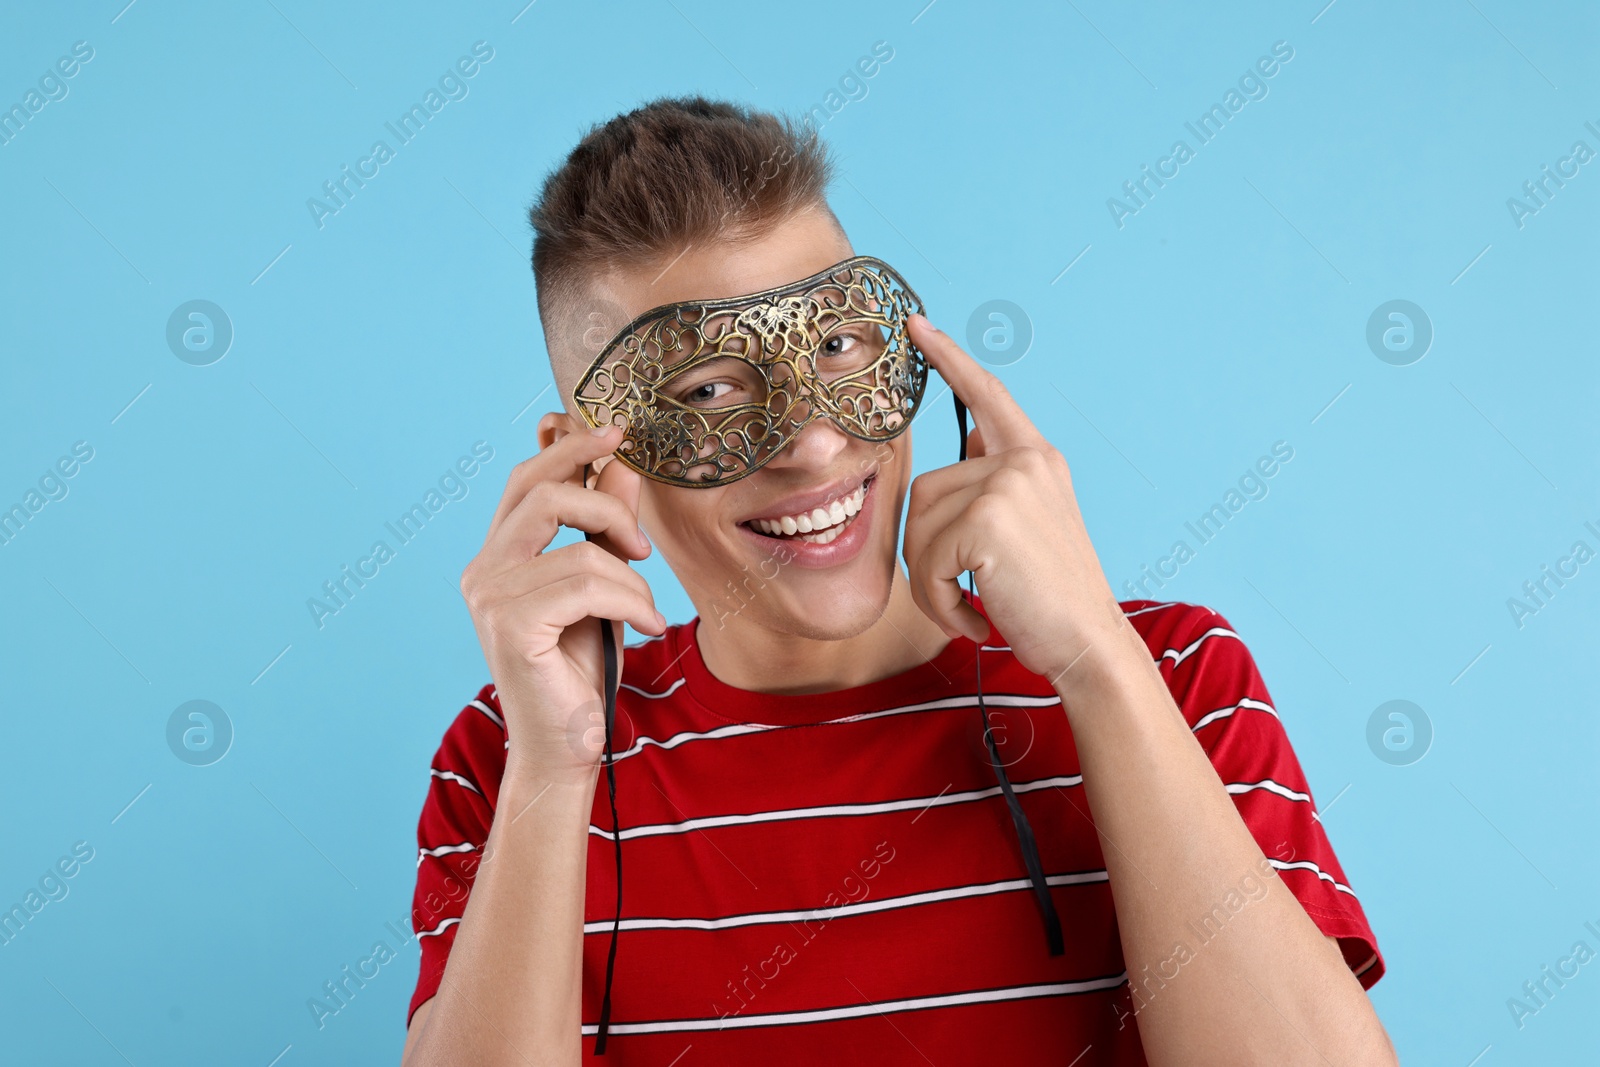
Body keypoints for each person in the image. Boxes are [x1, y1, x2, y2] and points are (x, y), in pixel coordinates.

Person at [399, 97, 1395, 1066]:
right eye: (707, 390)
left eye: (836, 344)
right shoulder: (505, 754)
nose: (817, 439)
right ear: (588, 466)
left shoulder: (1172, 670)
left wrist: (1097, 662)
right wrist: (553, 771)